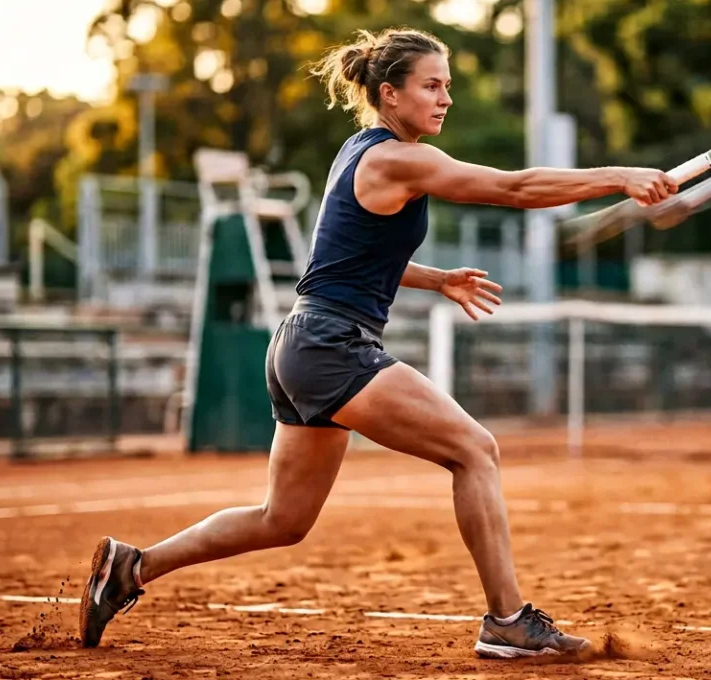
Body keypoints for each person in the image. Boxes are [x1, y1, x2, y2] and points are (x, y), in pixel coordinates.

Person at [78, 26, 678, 659]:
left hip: (302, 342)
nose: (445, 99)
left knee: (281, 520)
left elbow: (348, 255)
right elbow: (514, 188)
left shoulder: (358, 151)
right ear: (389, 94)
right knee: (475, 450)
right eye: (431, 86)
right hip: (334, 345)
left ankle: (131, 567)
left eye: (448, 87)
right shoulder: (400, 157)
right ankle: (506, 622)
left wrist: (436, 278)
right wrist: (620, 176)